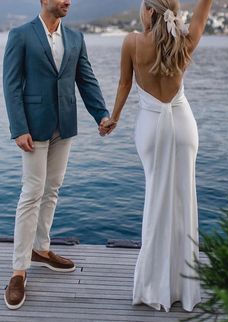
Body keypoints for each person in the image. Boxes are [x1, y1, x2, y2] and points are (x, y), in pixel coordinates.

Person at [101, 0, 213, 312]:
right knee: (184, 201)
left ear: (150, 11)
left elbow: (125, 83)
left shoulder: (132, 42)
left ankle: (153, 283)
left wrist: (114, 118)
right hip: (183, 127)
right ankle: (183, 286)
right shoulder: (185, 39)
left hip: (151, 128)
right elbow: (204, 8)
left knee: (156, 199)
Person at [3, 0, 109, 310]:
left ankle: (42, 250)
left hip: (65, 126)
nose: (68, 1)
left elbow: (86, 79)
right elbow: (11, 85)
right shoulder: (21, 35)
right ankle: (18, 271)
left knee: (52, 190)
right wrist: (18, 127)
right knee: (31, 192)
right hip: (33, 128)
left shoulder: (76, 37)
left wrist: (100, 114)